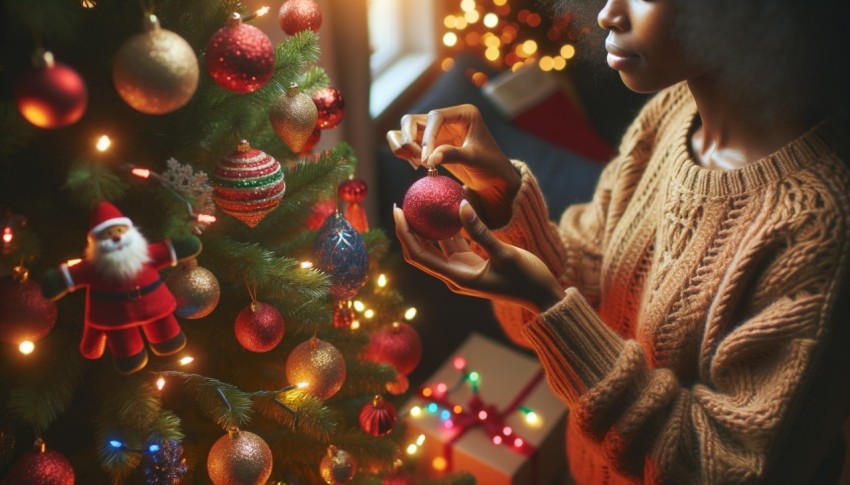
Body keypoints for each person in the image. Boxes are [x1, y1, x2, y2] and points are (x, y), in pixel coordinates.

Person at [386, 0, 850, 483]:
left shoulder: (819, 227)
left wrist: (546, 304)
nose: (608, 14)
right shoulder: (669, 115)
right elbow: (583, 290)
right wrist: (501, 194)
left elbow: (723, 469)